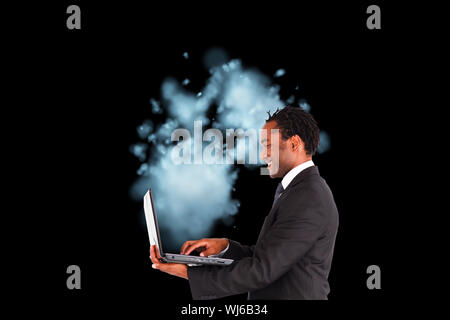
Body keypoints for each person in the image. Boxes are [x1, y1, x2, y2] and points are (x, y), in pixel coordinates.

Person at [150, 106, 339, 300]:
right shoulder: (300, 191)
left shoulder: (308, 196)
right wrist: (225, 247)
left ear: (294, 143)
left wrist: (189, 274)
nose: (263, 156)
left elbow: (262, 270)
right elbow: (270, 256)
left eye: (267, 145)